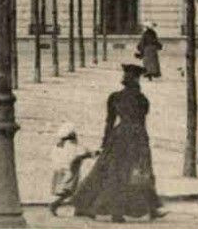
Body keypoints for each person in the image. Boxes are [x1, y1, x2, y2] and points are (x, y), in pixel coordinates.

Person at [69, 64, 164, 222]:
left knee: (108, 171)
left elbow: (109, 122)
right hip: (136, 137)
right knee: (139, 171)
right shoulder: (142, 99)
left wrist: (105, 142)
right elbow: (141, 122)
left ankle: (85, 206)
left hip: (118, 137)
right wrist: (144, 141)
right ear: (136, 80)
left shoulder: (114, 97)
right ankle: (147, 209)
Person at [48, 124, 96, 216]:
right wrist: (92, 154)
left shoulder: (60, 146)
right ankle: (55, 205)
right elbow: (80, 155)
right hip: (71, 173)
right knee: (70, 191)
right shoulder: (73, 146)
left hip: (62, 172)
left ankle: (78, 208)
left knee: (68, 191)